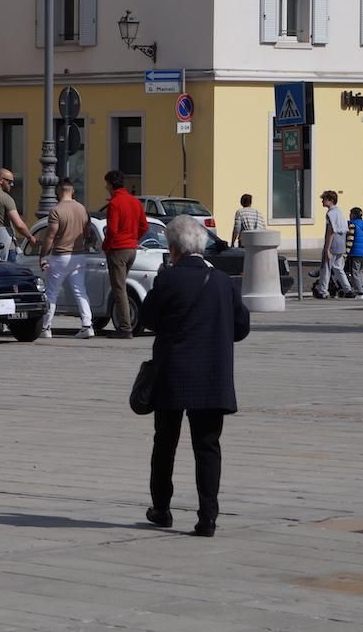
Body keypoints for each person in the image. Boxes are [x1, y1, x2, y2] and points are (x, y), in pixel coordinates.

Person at [139, 215, 250, 539]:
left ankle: (162, 508)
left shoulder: (168, 279)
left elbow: (147, 319)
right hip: (212, 375)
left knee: (165, 443)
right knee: (207, 446)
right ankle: (208, 518)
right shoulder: (223, 281)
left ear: (173, 249)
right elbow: (241, 327)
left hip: (172, 373)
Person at [38, 177, 94, 339]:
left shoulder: (56, 211)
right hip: (79, 255)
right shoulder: (82, 209)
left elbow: (50, 236)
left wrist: (43, 256)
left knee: (52, 293)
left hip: (60, 256)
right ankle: (87, 325)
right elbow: (88, 233)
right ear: (72, 191)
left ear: (58, 191)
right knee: (80, 291)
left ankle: (46, 327)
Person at [102, 169, 146, 339]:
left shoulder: (114, 203)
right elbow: (144, 226)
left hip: (118, 249)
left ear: (111, 184)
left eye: (107, 184)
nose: (106, 187)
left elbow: (112, 230)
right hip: (131, 249)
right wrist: (134, 238)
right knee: (122, 287)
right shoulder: (135, 201)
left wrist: (106, 246)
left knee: (119, 289)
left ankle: (125, 328)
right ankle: (126, 324)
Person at [314, 190, 352, 299]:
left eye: (324, 199)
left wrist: (327, 248)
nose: (322, 201)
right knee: (338, 268)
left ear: (331, 200)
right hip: (341, 243)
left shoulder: (330, 214)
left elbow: (330, 231)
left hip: (333, 243)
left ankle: (323, 291)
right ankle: (348, 289)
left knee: (326, 268)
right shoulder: (340, 212)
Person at [346, 206, 363, 297]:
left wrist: (347, 252)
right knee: (360, 271)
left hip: (356, 251)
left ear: (353, 215)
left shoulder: (352, 224)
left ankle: (359, 289)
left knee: (355, 272)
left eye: (350, 214)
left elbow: (350, 239)